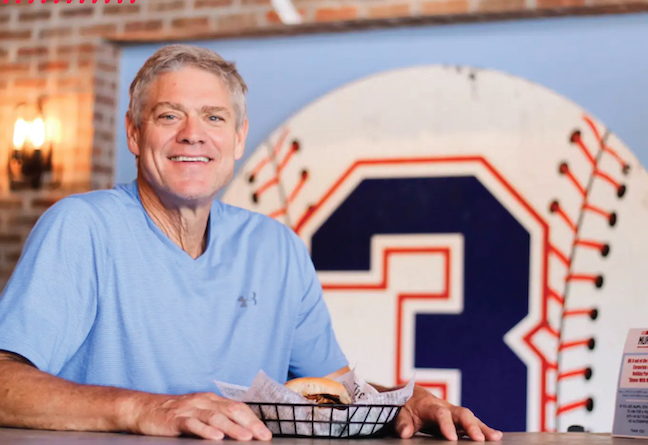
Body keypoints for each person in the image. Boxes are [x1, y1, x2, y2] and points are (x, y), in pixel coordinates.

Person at [0, 45, 502, 442]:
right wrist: (145, 408)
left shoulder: (276, 247)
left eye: (214, 118)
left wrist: (399, 402)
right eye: (169, 116)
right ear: (134, 133)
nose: (193, 135)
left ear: (238, 139)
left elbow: (331, 391)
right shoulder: (81, 227)